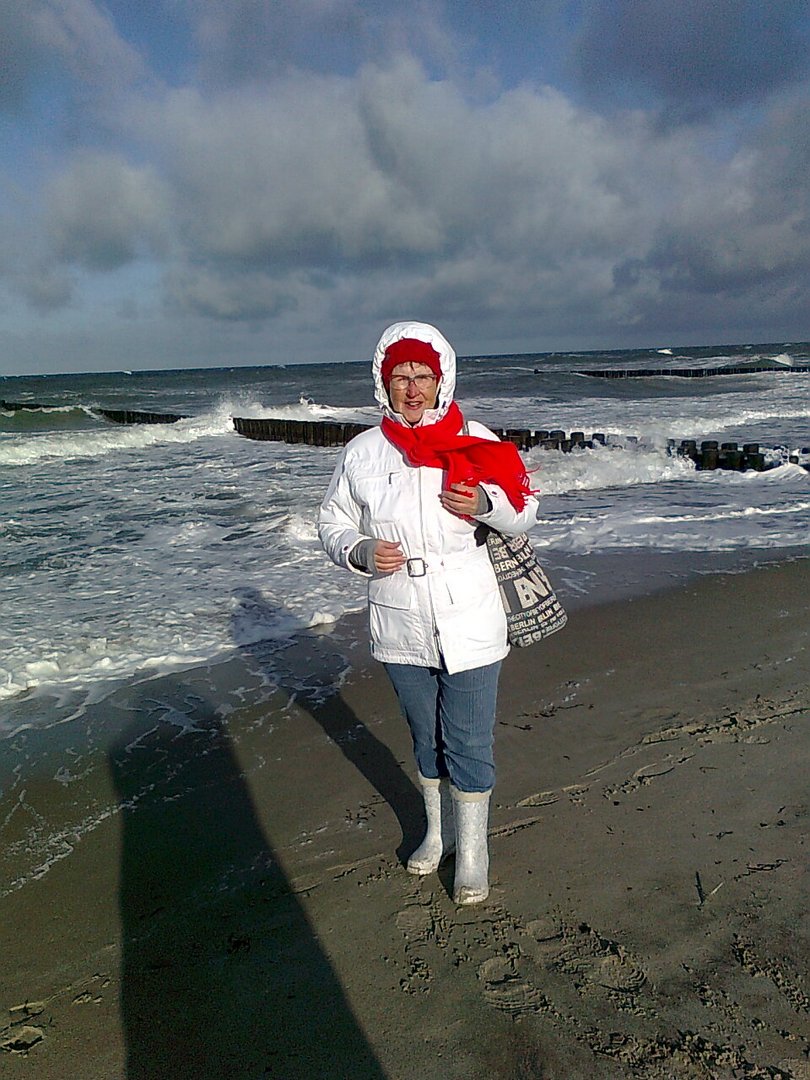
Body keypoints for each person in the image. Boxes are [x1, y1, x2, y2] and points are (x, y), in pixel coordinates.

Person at [318, 321, 538, 905]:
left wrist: (487, 502)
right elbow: (332, 522)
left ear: (441, 380)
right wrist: (360, 551)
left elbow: (526, 510)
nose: (411, 389)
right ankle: (435, 835)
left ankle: (473, 853)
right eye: (400, 377)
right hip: (398, 617)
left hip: (470, 613)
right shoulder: (363, 452)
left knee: (468, 739)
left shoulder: (474, 437)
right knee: (424, 737)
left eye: (422, 376)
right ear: (382, 384)